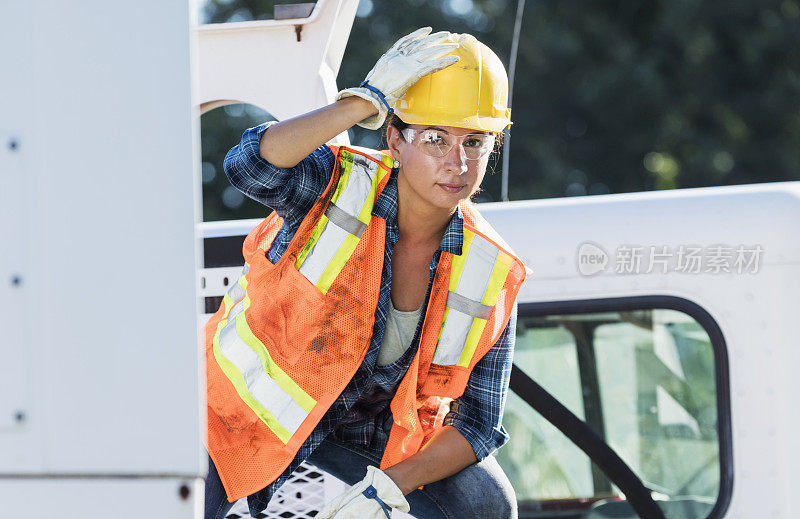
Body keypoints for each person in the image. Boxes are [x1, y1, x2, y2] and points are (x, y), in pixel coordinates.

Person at [204, 27, 531, 519]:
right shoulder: (337, 185)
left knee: (485, 500)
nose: (456, 163)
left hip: (362, 445)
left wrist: (386, 489)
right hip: (238, 422)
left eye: (476, 142)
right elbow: (249, 166)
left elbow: (479, 426)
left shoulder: (491, 269)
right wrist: (362, 103)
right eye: (436, 138)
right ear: (395, 141)